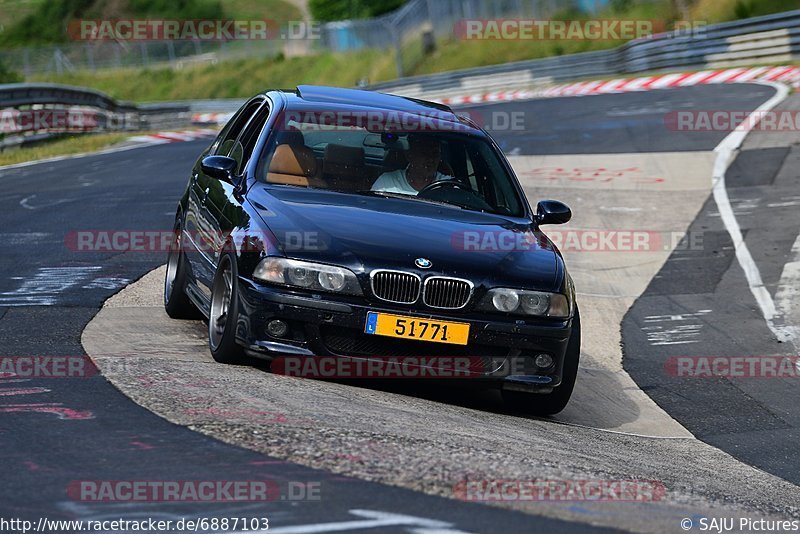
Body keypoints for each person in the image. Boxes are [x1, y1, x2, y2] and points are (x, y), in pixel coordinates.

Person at [371, 134, 451, 195]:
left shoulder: (449, 186)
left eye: (435, 153)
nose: (430, 159)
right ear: (410, 156)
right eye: (424, 153)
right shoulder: (386, 183)